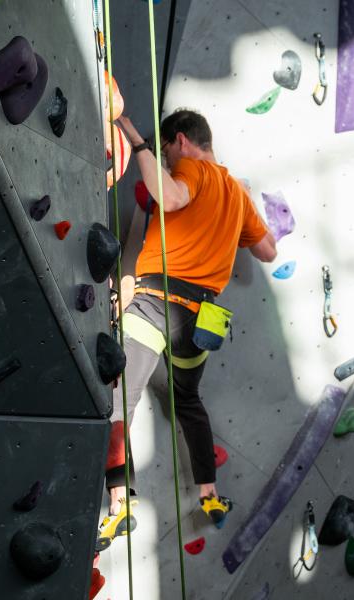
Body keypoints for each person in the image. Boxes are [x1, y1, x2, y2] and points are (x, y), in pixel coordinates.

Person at [96, 109, 278, 552]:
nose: (166, 161)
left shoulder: (190, 168)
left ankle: (120, 501)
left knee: (121, 399)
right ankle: (210, 497)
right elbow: (269, 251)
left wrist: (137, 140)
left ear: (179, 141)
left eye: (166, 153)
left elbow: (174, 198)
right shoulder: (237, 194)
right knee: (189, 402)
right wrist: (236, 217)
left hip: (156, 303)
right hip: (201, 321)